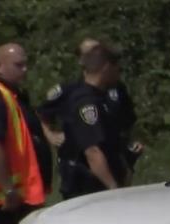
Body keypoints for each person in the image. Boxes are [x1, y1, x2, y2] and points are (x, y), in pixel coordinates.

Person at [38, 38, 141, 172]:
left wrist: (132, 142)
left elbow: (127, 119)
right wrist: (50, 135)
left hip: (114, 156)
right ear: (81, 59)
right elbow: (41, 114)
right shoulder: (70, 89)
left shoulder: (116, 88)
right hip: (80, 164)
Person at [0, 43, 52, 224]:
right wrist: (8, 189)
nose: (24, 70)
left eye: (25, 65)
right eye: (18, 65)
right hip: (11, 199)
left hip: (23, 194)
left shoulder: (13, 95)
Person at [57, 44, 127, 199]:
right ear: (106, 67)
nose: (118, 73)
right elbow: (92, 151)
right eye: (117, 68)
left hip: (100, 186)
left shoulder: (100, 97)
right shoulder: (86, 102)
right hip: (89, 190)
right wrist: (113, 189)